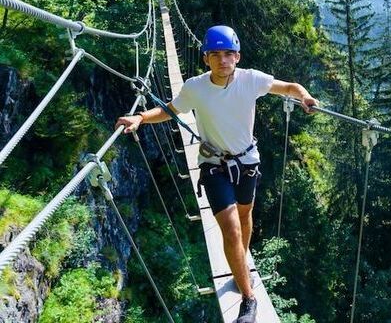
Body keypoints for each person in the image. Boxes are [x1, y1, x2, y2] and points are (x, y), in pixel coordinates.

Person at [116, 25, 317, 323]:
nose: (223, 60)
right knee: (231, 228)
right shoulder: (195, 87)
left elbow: (289, 87)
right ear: (206, 58)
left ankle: (240, 269)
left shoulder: (251, 80)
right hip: (213, 166)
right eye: (216, 55)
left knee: (246, 218)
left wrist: (306, 98)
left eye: (228, 54)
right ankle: (249, 300)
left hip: (248, 162)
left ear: (237, 56)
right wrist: (140, 118)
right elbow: (171, 111)